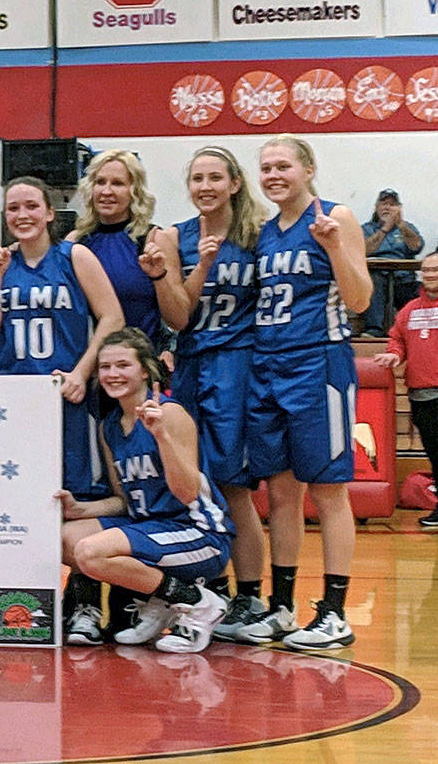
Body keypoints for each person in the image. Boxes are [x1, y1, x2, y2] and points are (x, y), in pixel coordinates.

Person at [236, 134, 371, 651]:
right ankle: (282, 608)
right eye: (266, 168)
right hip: (268, 365)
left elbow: (359, 299)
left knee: (329, 490)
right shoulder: (266, 233)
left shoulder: (339, 216)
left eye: (283, 166)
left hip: (319, 362)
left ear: (308, 168)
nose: (273, 175)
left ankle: (335, 613)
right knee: (280, 493)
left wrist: (335, 244)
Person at [0, 176, 124, 645]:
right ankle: (23, 607)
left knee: (76, 498)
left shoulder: (74, 256)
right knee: (14, 504)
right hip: (12, 405)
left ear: (48, 214)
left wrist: (84, 371)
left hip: (66, 398)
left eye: (30, 207)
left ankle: (83, 605)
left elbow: (112, 318)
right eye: (13, 208)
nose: (21, 215)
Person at [142, 146, 268, 641]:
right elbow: (176, 316)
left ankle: (251, 596)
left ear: (235, 183)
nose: (206, 186)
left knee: (233, 486)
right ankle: (209, 592)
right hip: (193, 362)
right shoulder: (176, 236)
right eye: (197, 178)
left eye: (216, 177)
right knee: (194, 484)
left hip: (239, 364)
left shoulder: (258, 234)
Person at [60, 328, 233, 653]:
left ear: (144, 369)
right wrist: (79, 509)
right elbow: (123, 501)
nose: (113, 374)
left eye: (123, 365)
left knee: (90, 552)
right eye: (105, 367)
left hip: (199, 532)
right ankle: (164, 599)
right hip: (151, 528)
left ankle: (199, 603)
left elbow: (188, 492)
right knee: (67, 538)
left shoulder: (169, 413)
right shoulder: (109, 426)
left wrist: (161, 437)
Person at [374, 251, 438, 528]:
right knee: (437, 455)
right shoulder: (410, 309)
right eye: (425, 270)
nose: (429, 274)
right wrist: (394, 355)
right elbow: (397, 339)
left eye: (436, 270)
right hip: (419, 394)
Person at [68, 150, 167, 352]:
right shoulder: (75, 242)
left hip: (141, 362)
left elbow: (175, 315)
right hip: (89, 364)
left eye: (117, 183)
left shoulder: (151, 239)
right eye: (100, 182)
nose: (106, 191)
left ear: (134, 190)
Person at [360, 188, 423, 336]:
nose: (387, 207)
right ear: (377, 207)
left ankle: (414, 333)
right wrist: (385, 229)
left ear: (399, 208)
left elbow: (417, 247)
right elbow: (363, 250)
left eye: (392, 204)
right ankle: (374, 330)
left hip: (403, 279)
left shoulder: (408, 228)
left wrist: (400, 225)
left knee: (421, 290)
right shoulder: (366, 228)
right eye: (384, 203)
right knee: (374, 281)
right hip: (377, 277)